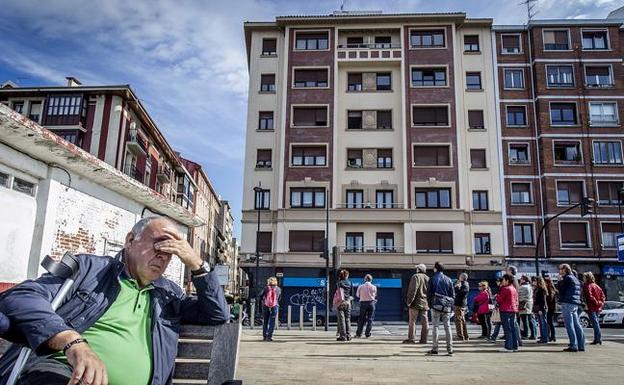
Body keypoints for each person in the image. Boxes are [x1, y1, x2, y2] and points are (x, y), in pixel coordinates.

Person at [0, 216, 228, 385]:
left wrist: (196, 264)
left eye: (171, 252)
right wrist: (71, 341)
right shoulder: (90, 270)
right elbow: (20, 296)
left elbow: (217, 314)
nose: (163, 256)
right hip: (64, 373)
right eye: (159, 245)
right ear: (130, 240)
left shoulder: (169, 295)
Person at [426, 262, 455, 356]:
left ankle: (435, 349)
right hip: (447, 306)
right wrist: (451, 307)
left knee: (435, 327)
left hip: (436, 305)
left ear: (435, 269)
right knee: (448, 327)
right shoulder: (449, 279)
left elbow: (429, 293)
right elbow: (452, 295)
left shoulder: (433, 278)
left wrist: (430, 305)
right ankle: (450, 349)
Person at [558, 263, 585, 352]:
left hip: (567, 302)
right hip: (575, 303)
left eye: (560, 269)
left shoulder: (567, 278)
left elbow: (562, 290)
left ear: (565, 270)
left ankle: (573, 345)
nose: (559, 271)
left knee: (569, 324)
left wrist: (559, 281)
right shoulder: (575, 279)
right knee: (576, 324)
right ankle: (581, 345)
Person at [403, 264, 429, 344]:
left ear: (419, 269)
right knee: (425, 322)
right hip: (425, 303)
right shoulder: (427, 278)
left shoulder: (415, 276)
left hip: (415, 303)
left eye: (417, 268)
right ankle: (424, 339)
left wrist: (409, 302)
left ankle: (411, 339)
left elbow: (412, 290)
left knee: (412, 321)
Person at [496, 274, 519, 352]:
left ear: (507, 280)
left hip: (505, 310)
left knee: (507, 329)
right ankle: (514, 345)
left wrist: (497, 294)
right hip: (513, 310)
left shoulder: (505, 289)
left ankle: (508, 347)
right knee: (512, 328)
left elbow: (499, 299)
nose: (502, 281)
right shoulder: (513, 288)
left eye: (503, 280)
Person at [583, 272, 605, 345]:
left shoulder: (587, 286)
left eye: (584, 277)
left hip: (591, 307)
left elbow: (589, 296)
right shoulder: (597, 286)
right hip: (597, 307)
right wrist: (600, 303)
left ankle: (598, 339)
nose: (583, 279)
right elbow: (603, 296)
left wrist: (595, 302)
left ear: (587, 278)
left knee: (595, 323)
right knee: (596, 323)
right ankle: (597, 338)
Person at [355, 274, 377, 338]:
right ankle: (367, 333)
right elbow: (375, 295)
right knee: (370, 319)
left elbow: (357, 295)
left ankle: (359, 334)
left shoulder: (360, 286)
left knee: (361, 319)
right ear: (371, 280)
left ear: (364, 279)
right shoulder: (374, 287)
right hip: (371, 303)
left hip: (363, 303)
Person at [260, 277, 281, 342]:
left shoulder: (266, 288)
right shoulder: (278, 289)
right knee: (272, 322)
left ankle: (264, 336)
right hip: (274, 306)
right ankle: (269, 337)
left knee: (265, 321)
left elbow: (260, 295)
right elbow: (279, 298)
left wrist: (263, 300)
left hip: (266, 306)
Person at [506, 266, 522, 347]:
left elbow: (515, 293)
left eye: (507, 270)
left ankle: (517, 341)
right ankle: (518, 340)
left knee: (513, 324)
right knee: (514, 324)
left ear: (511, 271)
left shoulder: (513, 279)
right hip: (513, 304)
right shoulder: (514, 279)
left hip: (512, 305)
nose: (506, 271)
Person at [335, 269, 353, 342]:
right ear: (347, 275)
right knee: (348, 319)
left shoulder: (339, 283)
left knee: (341, 320)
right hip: (348, 302)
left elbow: (336, 292)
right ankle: (349, 336)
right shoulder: (350, 282)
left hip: (340, 303)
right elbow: (352, 294)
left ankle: (343, 336)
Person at [518, 276, 536, 340]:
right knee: (529, 320)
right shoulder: (530, 286)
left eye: (521, 279)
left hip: (523, 305)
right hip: (529, 305)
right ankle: (533, 334)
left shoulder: (522, 287)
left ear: (524, 280)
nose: (520, 280)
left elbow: (518, 296)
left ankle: (525, 334)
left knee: (524, 320)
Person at [454, 273, 470, 341]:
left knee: (458, 320)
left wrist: (457, 287)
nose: (459, 278)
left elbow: (460, 293)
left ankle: (460, 336)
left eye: (460, 277)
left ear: (462, 278)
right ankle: (465, 336)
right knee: (462, 320)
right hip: (461, 304)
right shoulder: (464, 284)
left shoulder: (464, 284)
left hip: (460, 305)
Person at [533, 276, 549, 343]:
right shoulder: (538, 289)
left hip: (541, 308)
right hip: (540, 308)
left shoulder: (541, 289)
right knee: (541, 323)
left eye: (535, 281)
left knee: (543, 324)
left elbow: (542, 300)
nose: (534, 282)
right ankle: (543, 337)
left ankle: (545, 338)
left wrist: (540, 309)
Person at [545, 276, 558, 342]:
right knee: (550, 323)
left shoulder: (549, 290)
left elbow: (549, 300)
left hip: (550, 309)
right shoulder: (553, 290)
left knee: (549, 322)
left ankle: (552, 336)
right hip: (552, 309)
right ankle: (552, 336)